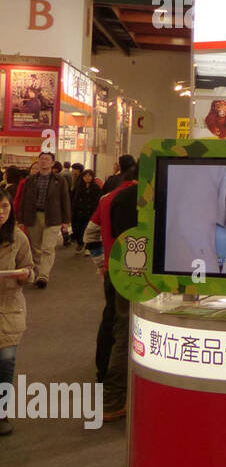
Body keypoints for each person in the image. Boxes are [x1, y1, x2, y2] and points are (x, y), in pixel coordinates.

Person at [100, 178, 139, 422]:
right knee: (126, 334)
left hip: (121, 269)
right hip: (143, 276)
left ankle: (113, 399)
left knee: (120, 329)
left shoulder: (119, 197)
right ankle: (113, 400)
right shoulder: (155, 197)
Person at [0, 189, 35, 435]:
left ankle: (1, 414)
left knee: (6, 362)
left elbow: (29, 268)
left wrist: (25, 275)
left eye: (5, 207)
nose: (1, 213)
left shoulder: (18, 237)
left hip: (8, 308)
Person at [16, 151, 71, 289]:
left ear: (52, 163)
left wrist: (66, 220)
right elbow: (23, 200)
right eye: (41, 159)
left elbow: (65, 200)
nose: (43, 161)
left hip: (53, 217)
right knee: (36, 248)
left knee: (48, 247)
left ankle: (43, 275)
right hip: (33, 216)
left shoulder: (60, 180)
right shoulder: (30, 180)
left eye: (47, 159)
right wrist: (20, 219)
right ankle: (39, 272)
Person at [71, 168, 103, 253]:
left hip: (90, 212)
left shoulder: (96, 188)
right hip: (79, 212)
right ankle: (80, 243)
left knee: (87, 230)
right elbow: (74, 199)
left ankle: (87, 247)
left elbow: (98, 200)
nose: (87, 178)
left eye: (89, 176)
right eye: (85, 176)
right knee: (78, 229)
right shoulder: (78, 187)